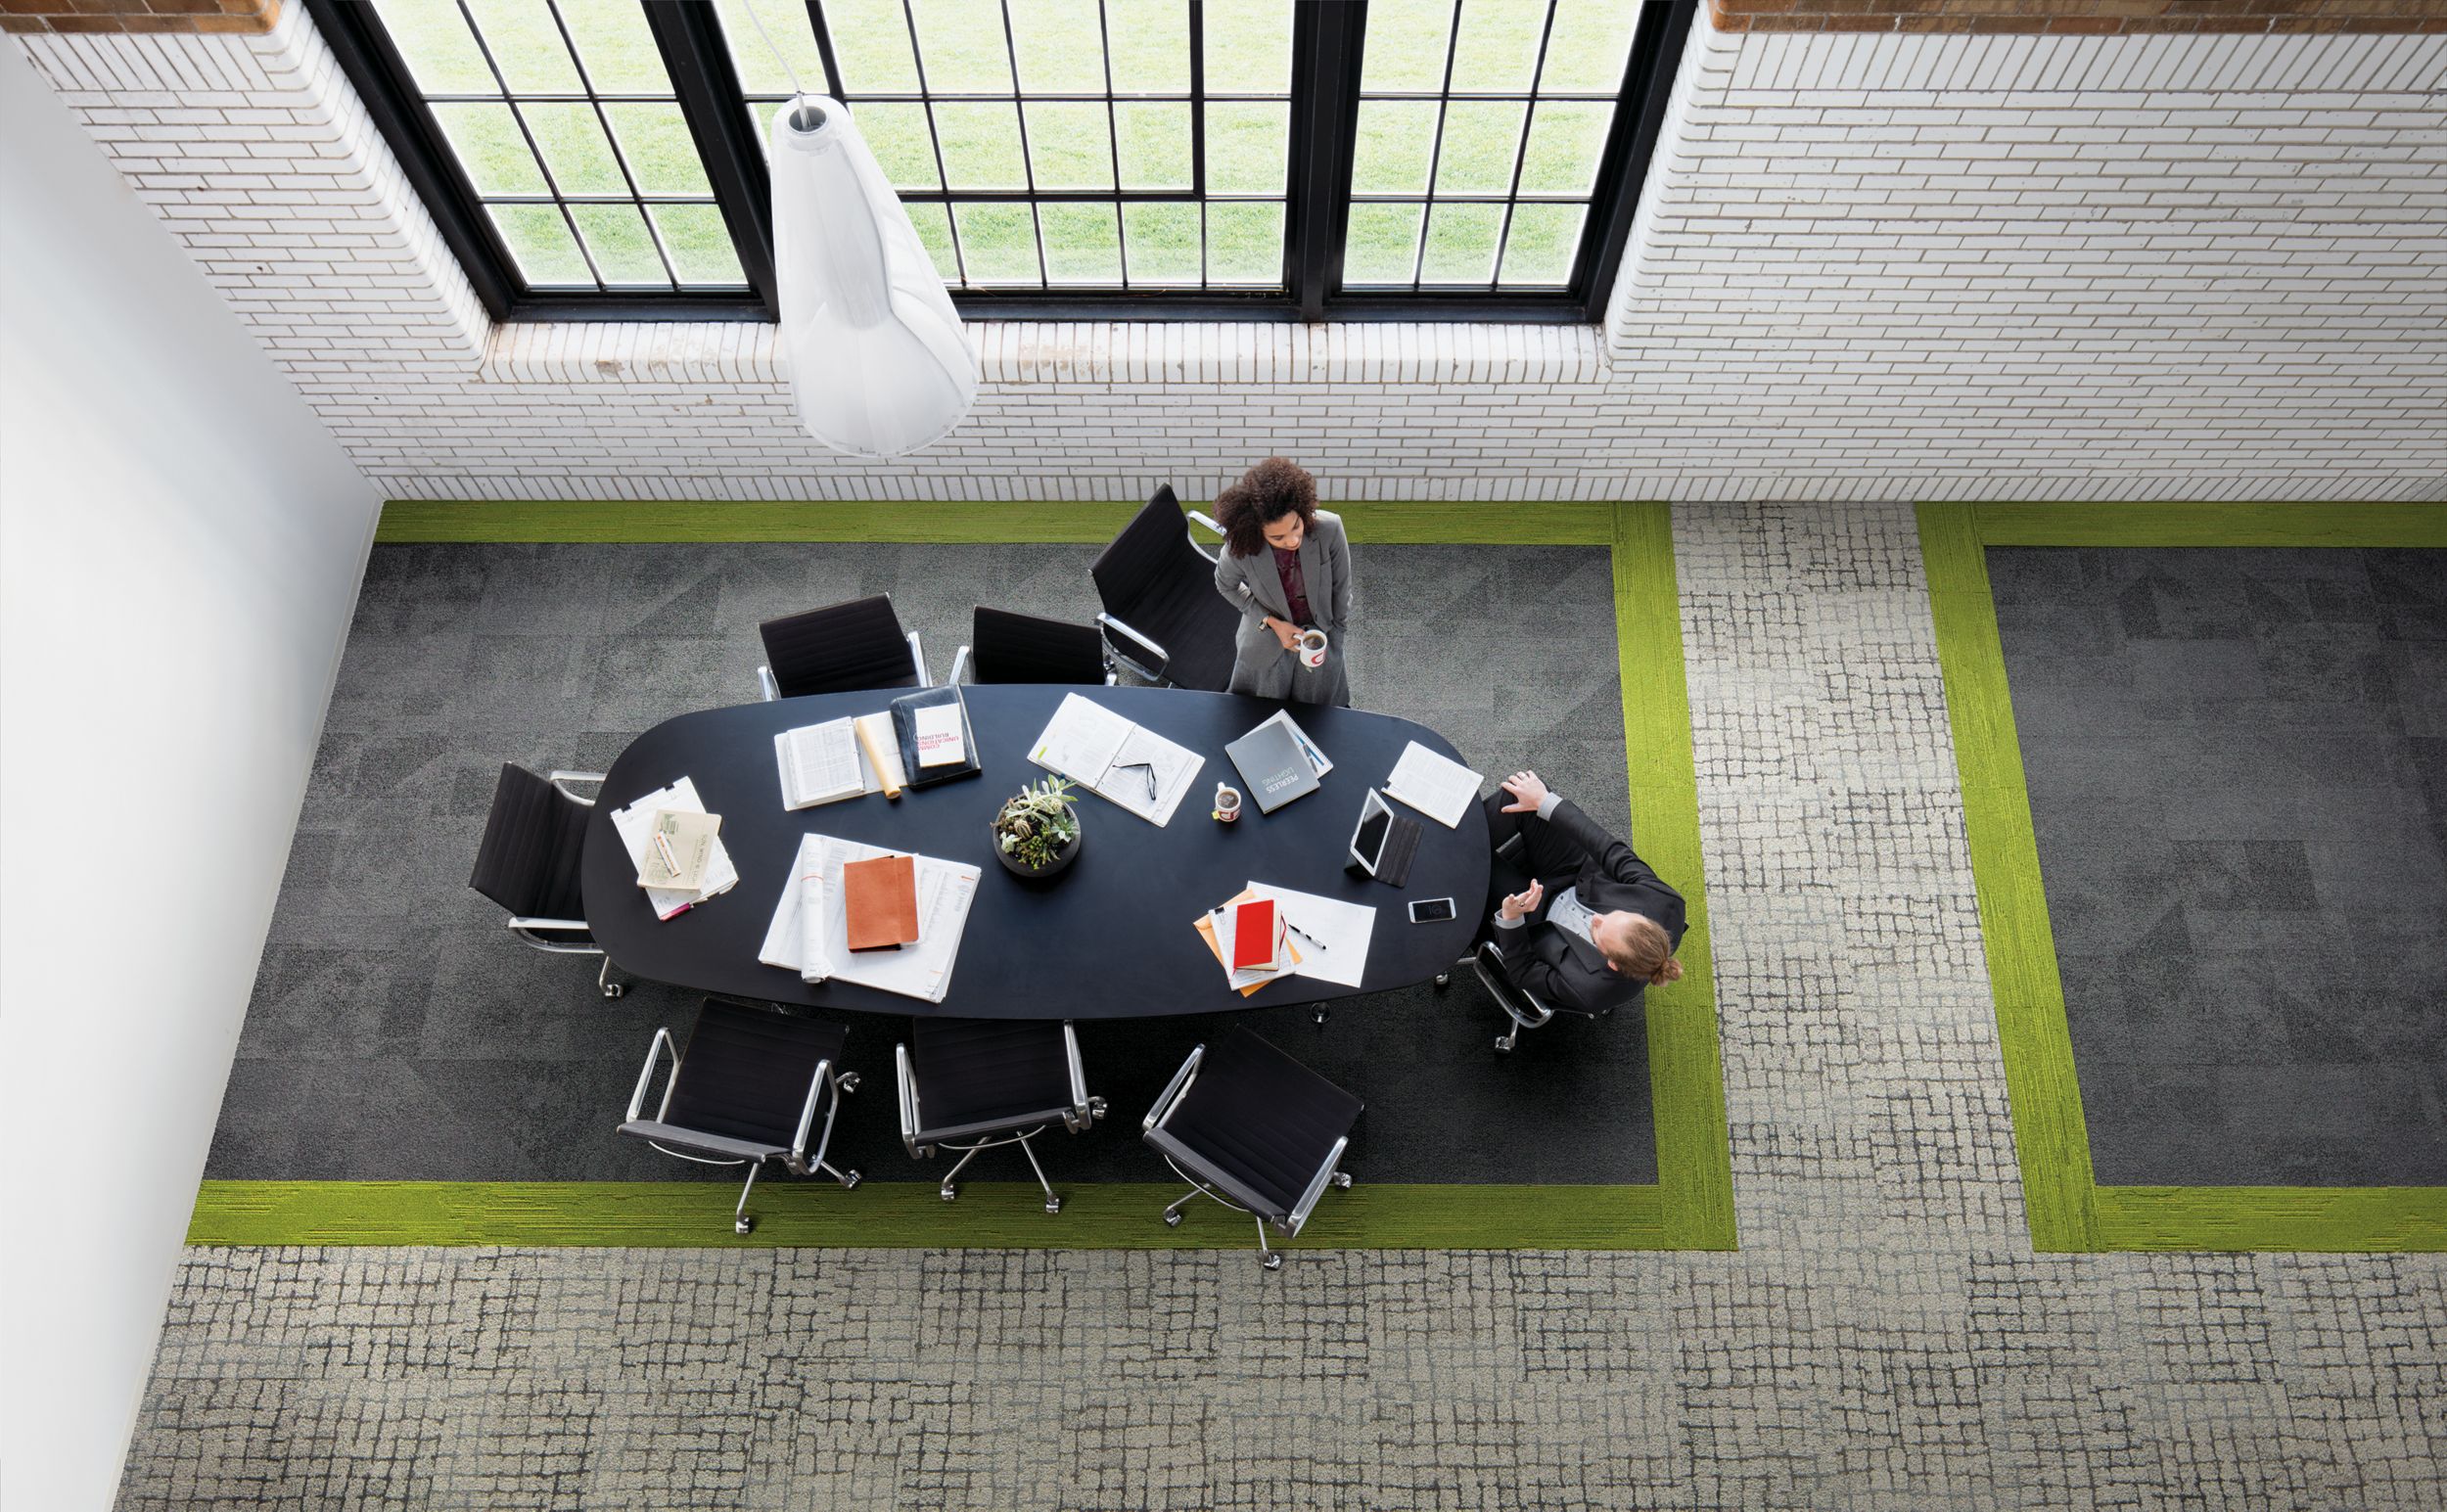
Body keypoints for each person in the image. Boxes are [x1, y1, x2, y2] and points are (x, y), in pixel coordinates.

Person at [1481, 768, 1685, 1018]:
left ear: (1612, 963)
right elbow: (1608, 850)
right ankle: (1450, 832)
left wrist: (1512, 917)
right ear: (1643, 919)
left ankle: (1443, 848)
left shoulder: (1590, 990)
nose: (1597, 918)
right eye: (1612, 914)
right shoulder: (1665, 902)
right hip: (1572, 874)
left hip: (1531, 916)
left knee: (1475, 864)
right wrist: (1545, 801)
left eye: (1598, 931)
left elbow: (1523, 970)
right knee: (1523, 797)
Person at [1210, 457, 1353, 706]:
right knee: (1258, 710)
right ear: (1257, 531)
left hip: (1320, 633)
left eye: (1296, 526)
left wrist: (1337, 633)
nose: (1292, 540)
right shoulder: (1241, 546)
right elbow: (1225, 585)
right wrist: (1271, 622)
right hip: (1265, 640)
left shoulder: (1329, 528)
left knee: (1317, 711)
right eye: (1278, 537)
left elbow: (1341, 588)